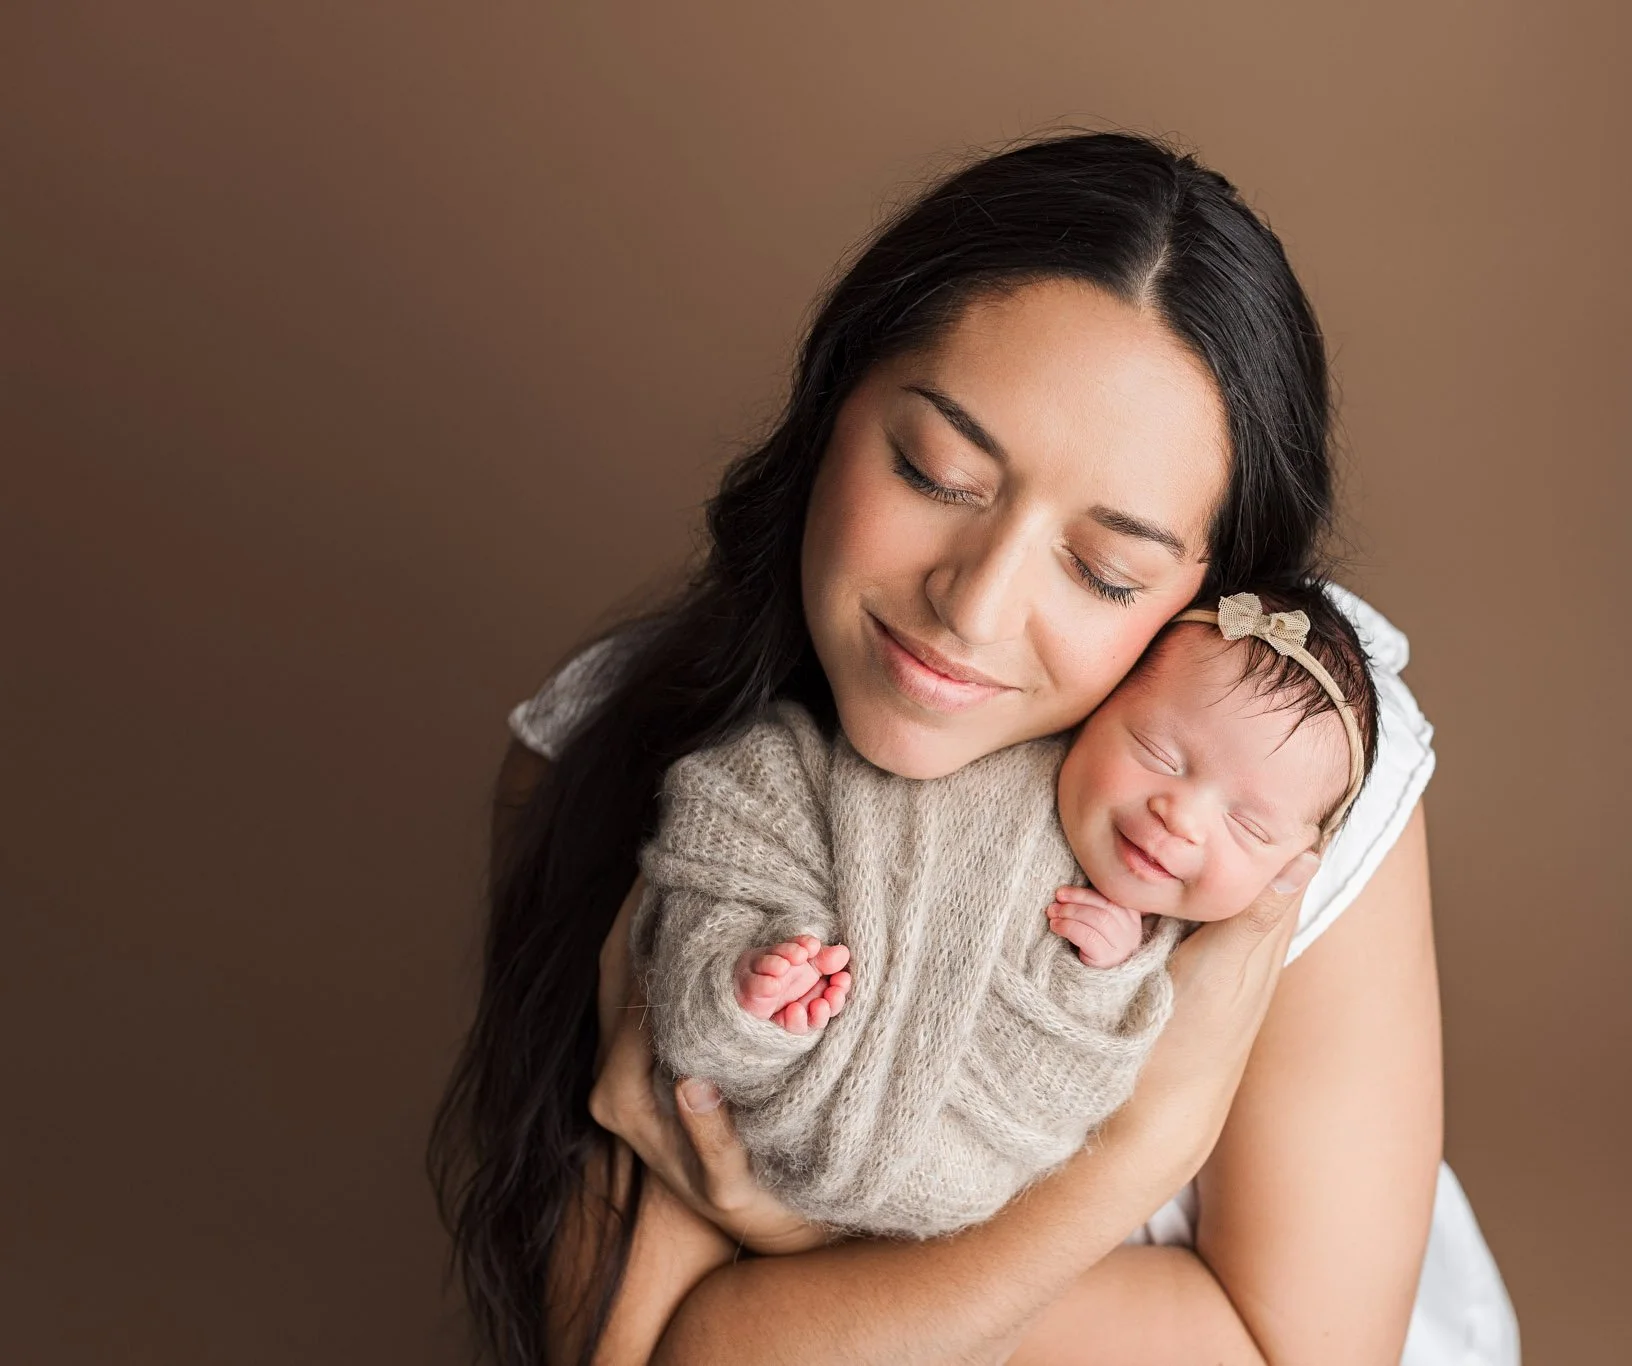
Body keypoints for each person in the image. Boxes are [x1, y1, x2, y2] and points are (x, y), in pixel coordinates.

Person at [431, 129, 1519, 1366]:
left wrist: (797, 1252)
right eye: (935, 471)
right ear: (830, 408)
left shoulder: (1276, 777)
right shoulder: (617, 752)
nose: (975, 605)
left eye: (1105, 572)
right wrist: (1125, 1155)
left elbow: (1301, 1352)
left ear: (1211, 600)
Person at [629, 584, 1373, 1242]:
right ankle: (753, 998)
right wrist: (754, 986)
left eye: (1248, 827)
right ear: (1100, 709)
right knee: (746, 976)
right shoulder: (983, 751)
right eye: (1159, 753)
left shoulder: (1174, 955)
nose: (1181, 817)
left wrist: (1105, 978)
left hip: (949, 1162)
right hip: (788, 1059)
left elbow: (1087, 1076)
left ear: (1294, 866)